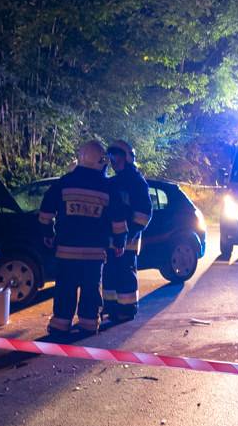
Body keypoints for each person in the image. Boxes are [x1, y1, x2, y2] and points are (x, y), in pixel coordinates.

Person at [38, 140, 127, 336]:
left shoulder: (64, 182)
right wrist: (120, 242)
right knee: (90, 289)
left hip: (66, 252)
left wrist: (48, 234)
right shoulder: (107, 187)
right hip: (94, 254)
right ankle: (88, 324)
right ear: (100, 161)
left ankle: (60, 324)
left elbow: (45, 213)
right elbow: (118, 220)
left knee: (65, 289)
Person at [103, 140, 153, 321]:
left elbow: (144, 215)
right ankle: (110, 307)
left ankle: (127, 309)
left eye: (116, 155)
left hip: (128, 242)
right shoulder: (113, 182)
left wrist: (127, 236)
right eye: (111, 156)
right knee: (109, 274)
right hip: (110, 240)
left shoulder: (137, 183)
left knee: (125, 274)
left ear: (127, 158)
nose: (113, 160)